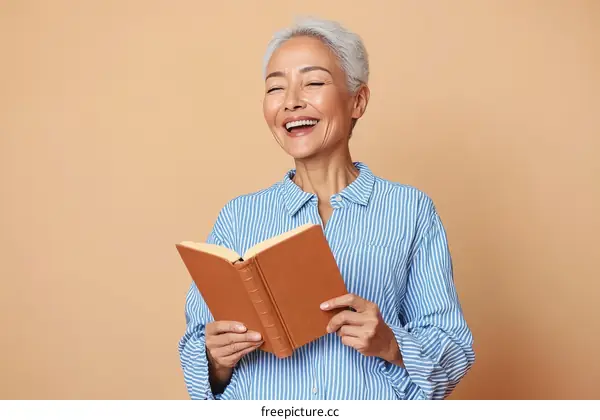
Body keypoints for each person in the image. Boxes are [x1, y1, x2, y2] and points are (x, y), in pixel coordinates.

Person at [178, 16, 475, 400]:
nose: (291, 101)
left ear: (358, 100)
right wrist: (215, 359)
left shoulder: (410, 210)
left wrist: (390, 343)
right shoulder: (238, 217)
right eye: (275, 88)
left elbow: (452, 347)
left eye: (314, 82)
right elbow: (195, 349)